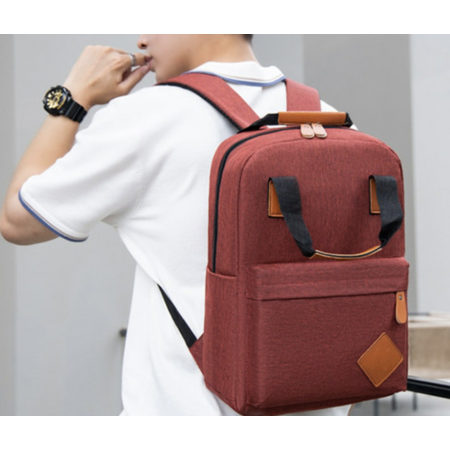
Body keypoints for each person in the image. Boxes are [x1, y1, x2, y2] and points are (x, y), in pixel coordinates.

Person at [0, 34, 350, 416]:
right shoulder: (331, 120)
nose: (142, 38)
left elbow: (18, 220)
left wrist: (72, 97)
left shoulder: (149, 116)